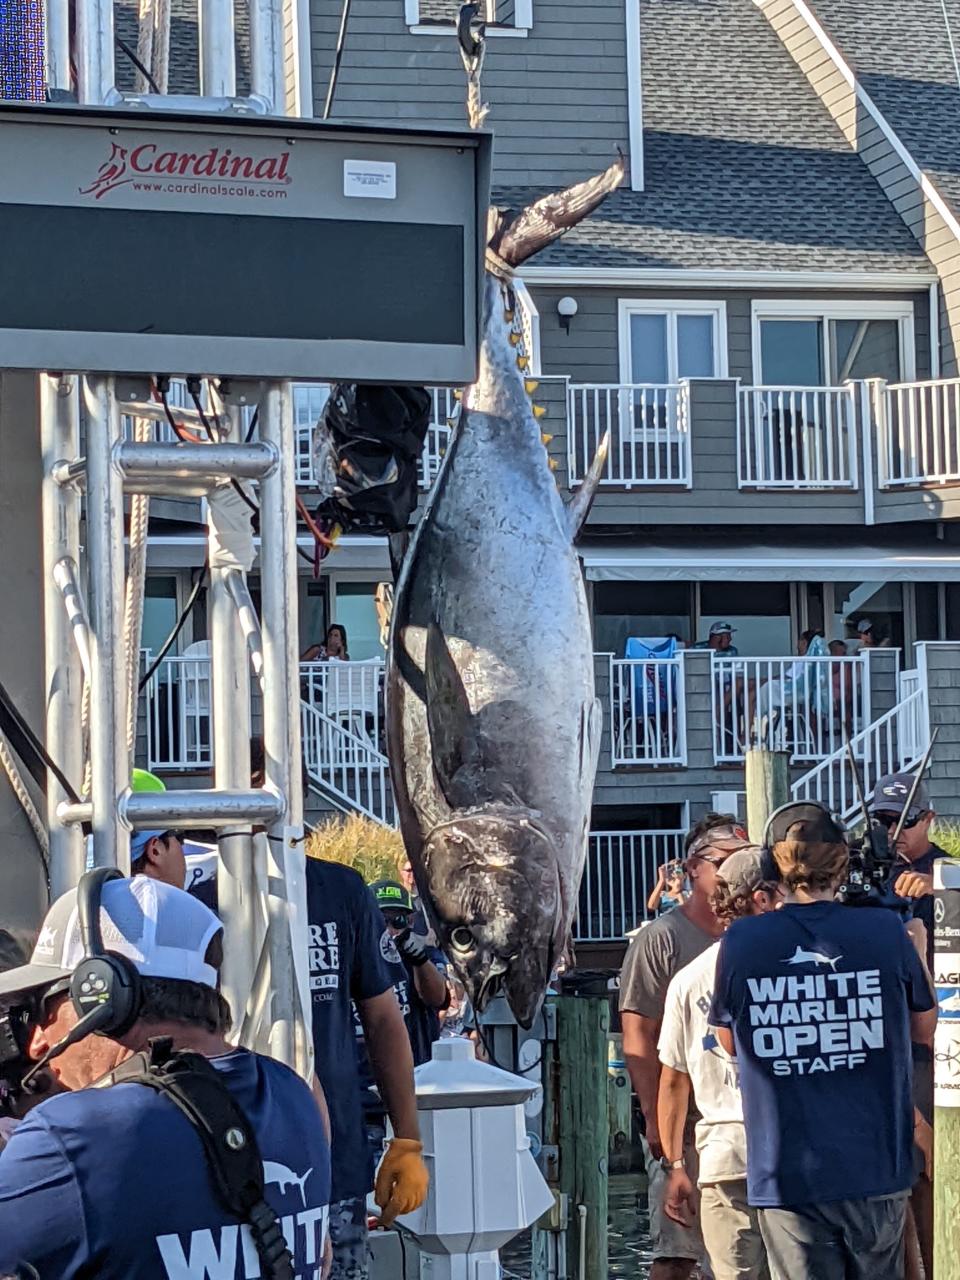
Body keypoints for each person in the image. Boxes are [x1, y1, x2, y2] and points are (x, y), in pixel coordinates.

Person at [0, 873, 333, 1278]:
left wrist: (27, 1160)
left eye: (42, 1009)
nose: (36, 1042)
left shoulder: (70, 1137)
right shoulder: (294, 1094)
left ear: (103, 1000)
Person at [180, 839, 430, 1278]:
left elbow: (384, 1019)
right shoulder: (201, 900)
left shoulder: (341, 889)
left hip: (334, 1168)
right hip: (227, 1164)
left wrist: (406, 1139)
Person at [709, 802, 936, 1280]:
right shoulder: (884, 929)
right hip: (876, 1165)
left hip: (787, 1172)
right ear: (842, 863)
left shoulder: (743, 940)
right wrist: (913, 948)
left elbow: (729, 1042)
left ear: (774, 867)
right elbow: (924, 1028)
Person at [620, 814, 754, 1280]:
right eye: (725, 862)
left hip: (751, 1119)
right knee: (677, 1251)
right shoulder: (664, 939)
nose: (736, 872)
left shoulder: (761, 933)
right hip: (692, 1118)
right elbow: (638, 1034)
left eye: (746, 860)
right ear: (694, 868)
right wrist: (658, 1121)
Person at [657, 847, 781, 1280]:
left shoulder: (688, 980)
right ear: (763, 899)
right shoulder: (792, 969)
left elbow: (673, 1081)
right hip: (792, 1153)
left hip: (723, 1157)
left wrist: (675, 1166)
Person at [872, 771, 945, 1280]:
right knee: (893, 1172)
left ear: (929, 819)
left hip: (933, 1041)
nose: (893, 830)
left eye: (903, 820)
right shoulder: (863, 872)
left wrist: (942, 887)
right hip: (876, 1040)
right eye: (882, 820)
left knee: (933, 1168)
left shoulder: (947, 868)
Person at [369, 880, 448, 1067]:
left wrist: (420, 961)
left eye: (398, 921)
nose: (389, 929)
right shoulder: (357, 959)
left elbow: (438, 999)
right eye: (381, 921)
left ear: (410, 921)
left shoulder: (424, 954)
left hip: (417, 1064)